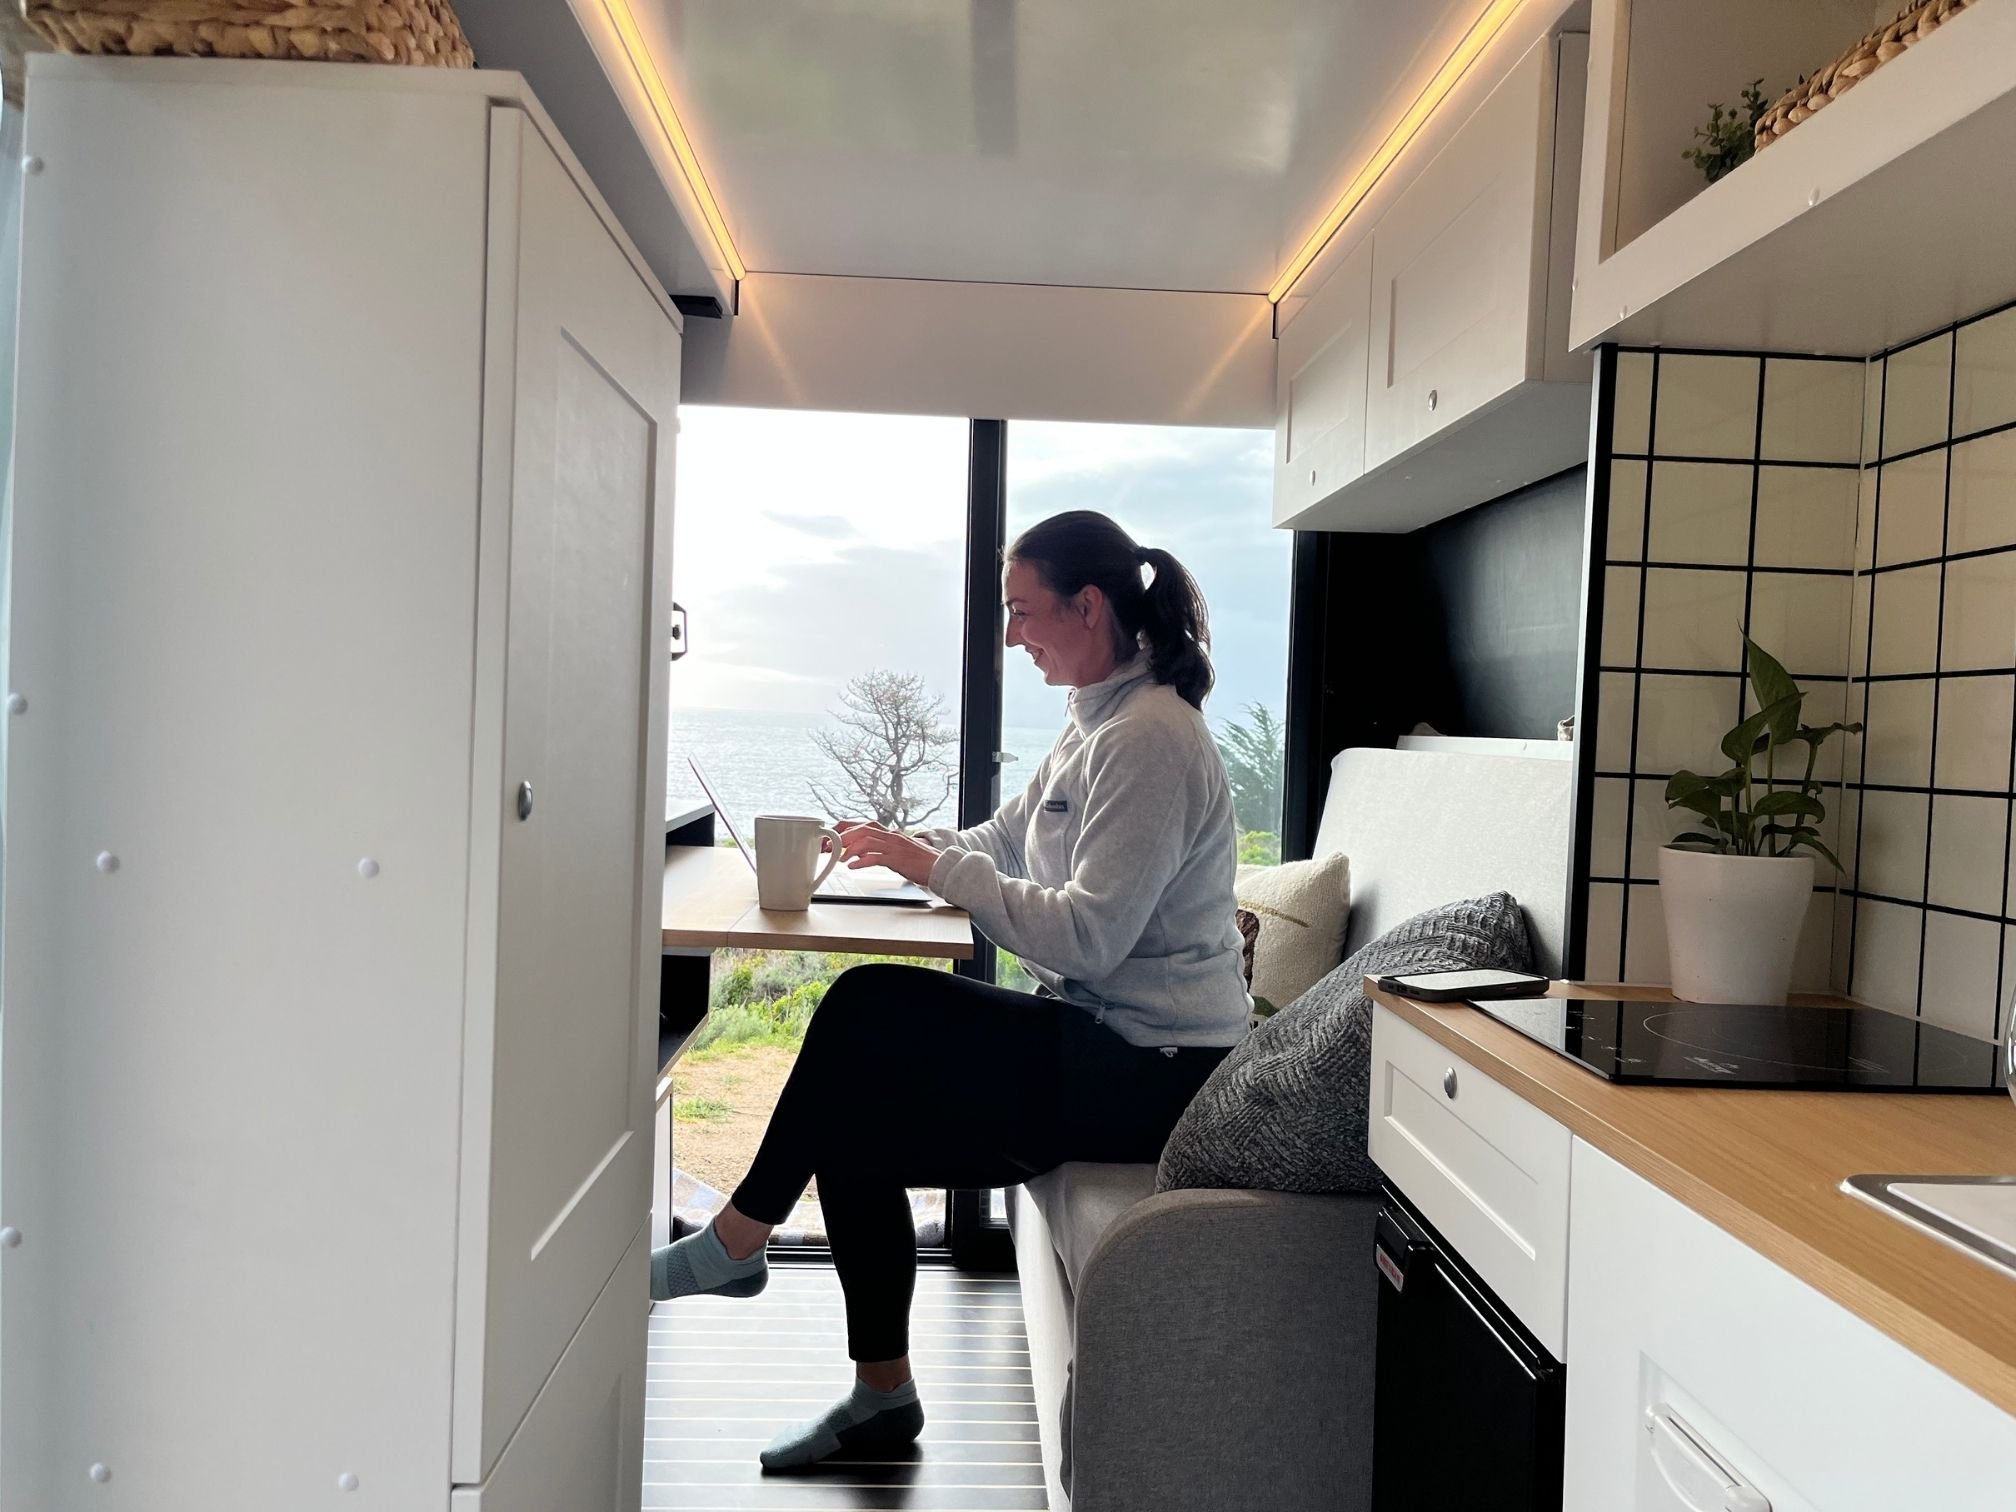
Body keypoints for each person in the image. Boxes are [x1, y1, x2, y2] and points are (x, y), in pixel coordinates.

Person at [648, 509, 1250, 1472]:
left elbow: (1089, 939)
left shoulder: (1151, 739)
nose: (1011, 636)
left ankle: (737, 1237)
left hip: (1158, 1068)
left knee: (865, 1004)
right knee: (849, 1126)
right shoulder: (1094, 725)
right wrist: (904, 850)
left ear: (1087, 606)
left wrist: (934, 871)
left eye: (1022, 611)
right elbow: (1002, 841)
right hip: (1103, 1044)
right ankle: (881, 1397)